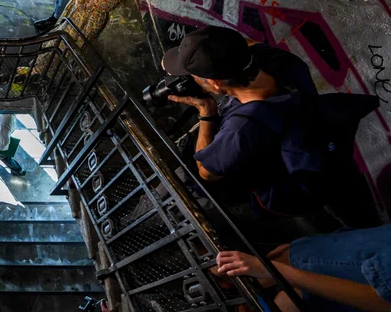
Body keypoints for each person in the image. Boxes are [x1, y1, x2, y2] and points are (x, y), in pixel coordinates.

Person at [161, 26, 379, 229]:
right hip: (328, 158)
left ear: (216, 83)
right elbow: (241, 44)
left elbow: (207, 172)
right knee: (360, 217)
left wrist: (207, 112)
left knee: (338, 225)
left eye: (194, 76)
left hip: (292, 190)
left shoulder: (244, 127)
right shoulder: (279, 61)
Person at [214, 224, 391, 312]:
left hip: (353, 280)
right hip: (355, 258)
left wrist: (278, 271)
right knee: (293, 264)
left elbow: (382, 299)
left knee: (294, 270)